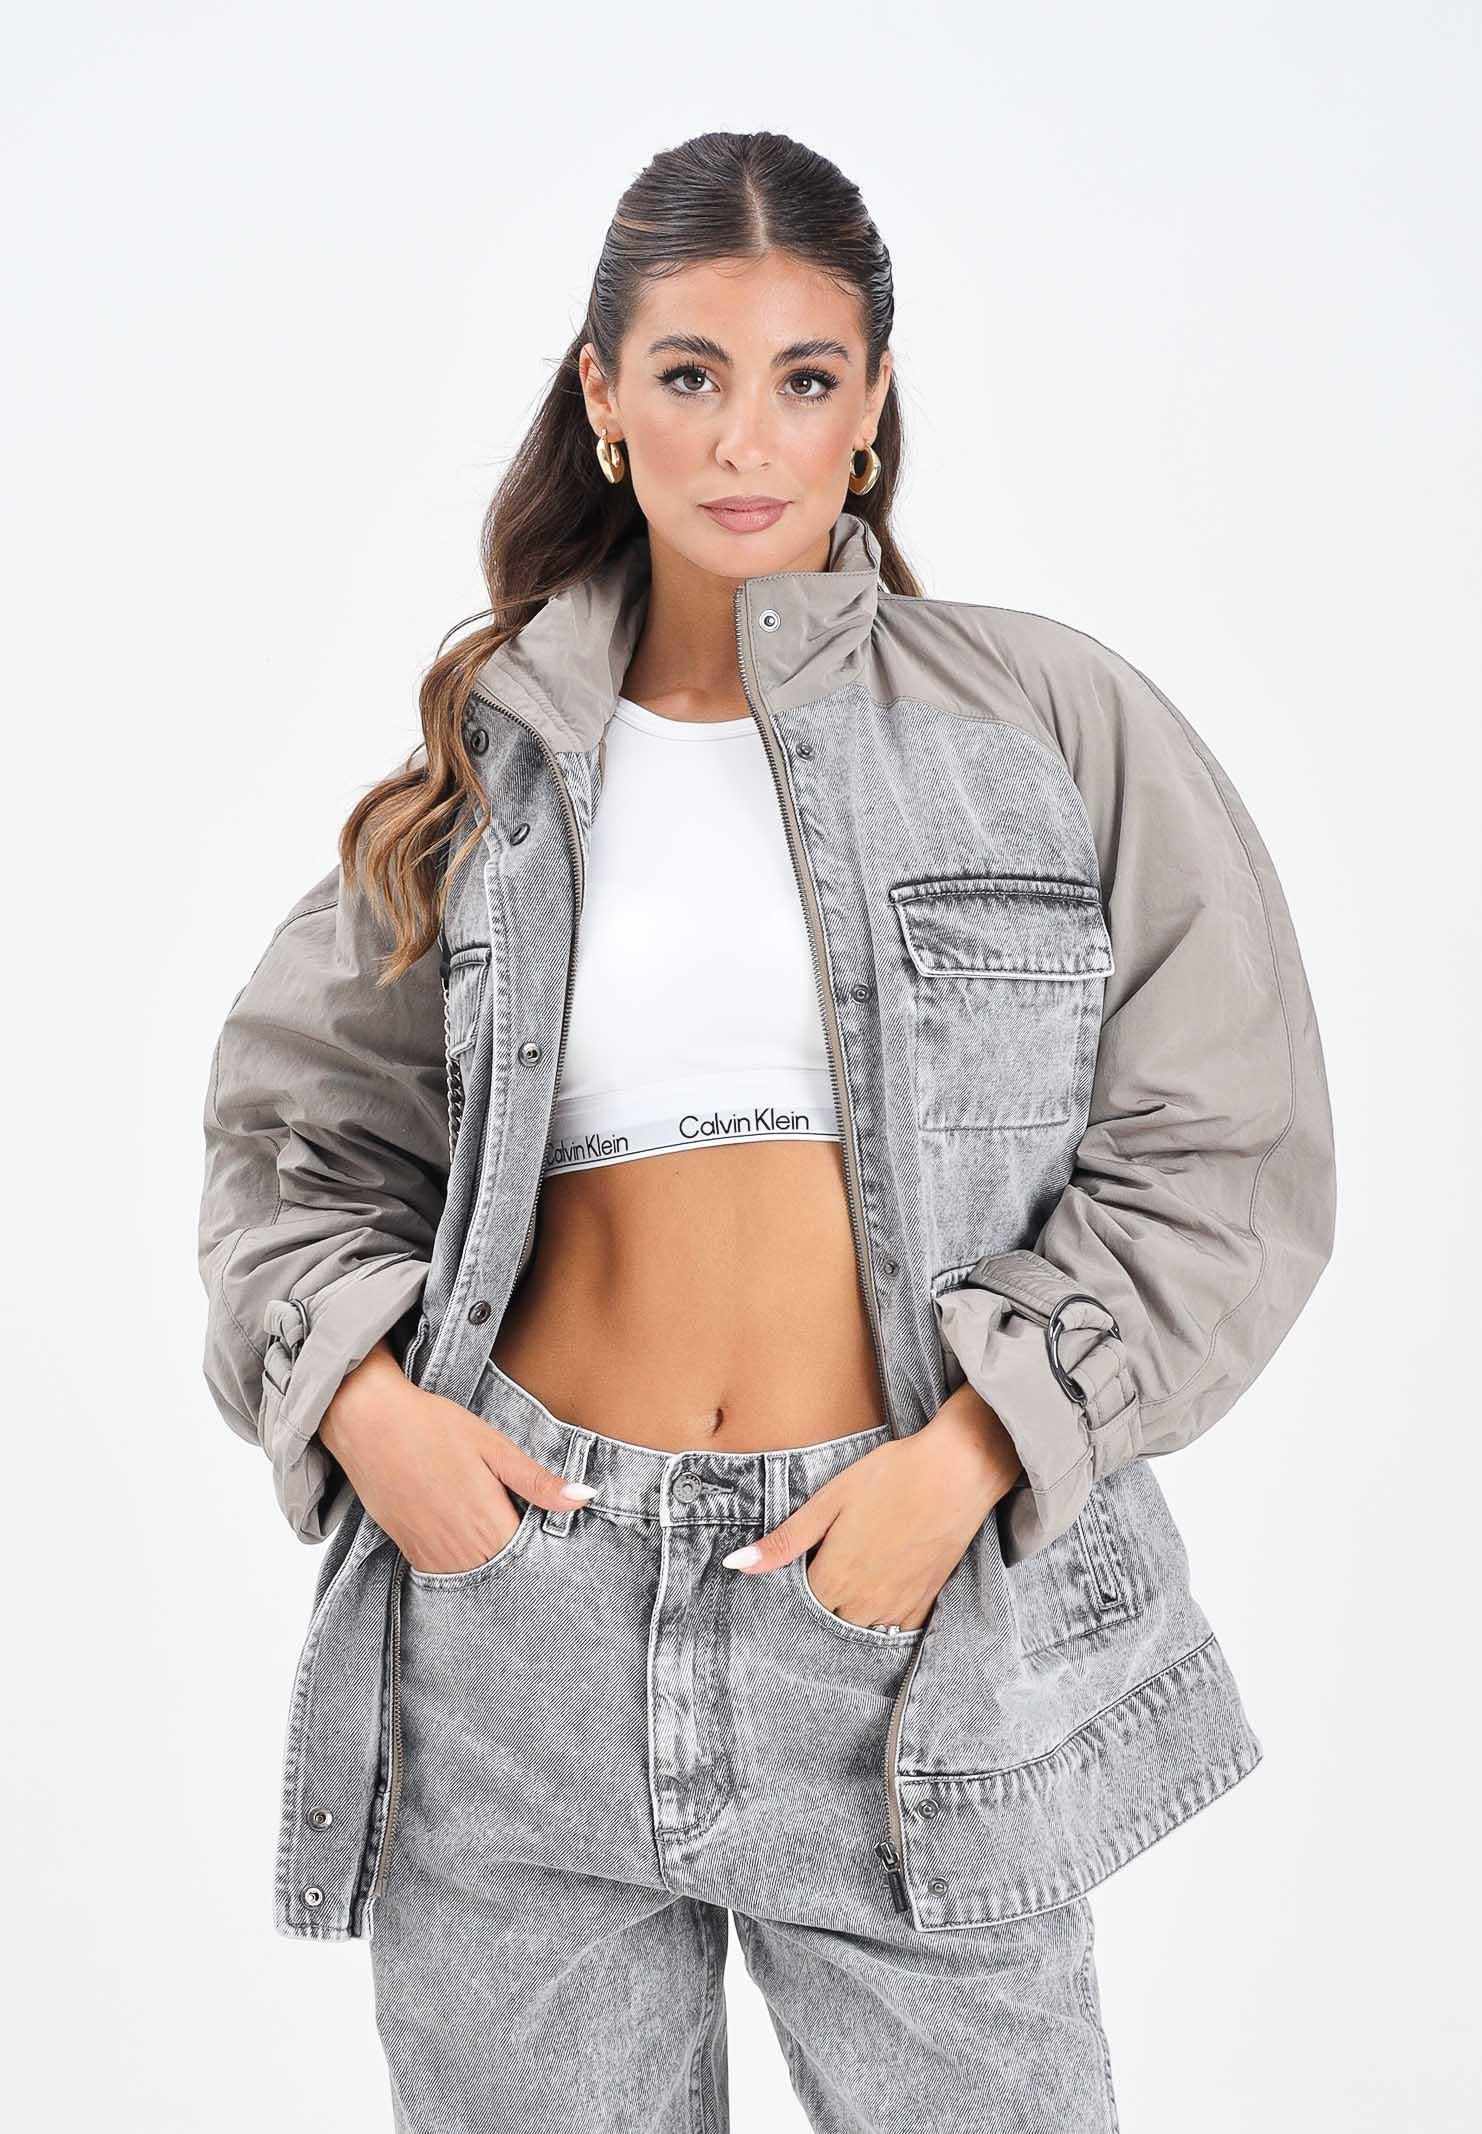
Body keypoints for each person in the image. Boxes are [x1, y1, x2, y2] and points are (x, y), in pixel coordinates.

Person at [196, 130, 1337, 2134]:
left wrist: (969, 1460)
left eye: (805, 376)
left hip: (895, 1606)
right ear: (604, 400)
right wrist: (373, 1417)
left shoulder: (1044, 725)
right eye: (690, 373)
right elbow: (291, 1145)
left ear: (871, 405)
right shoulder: (489, 776)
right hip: (516, 1606)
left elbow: (1222, 1148)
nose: (747, 437)